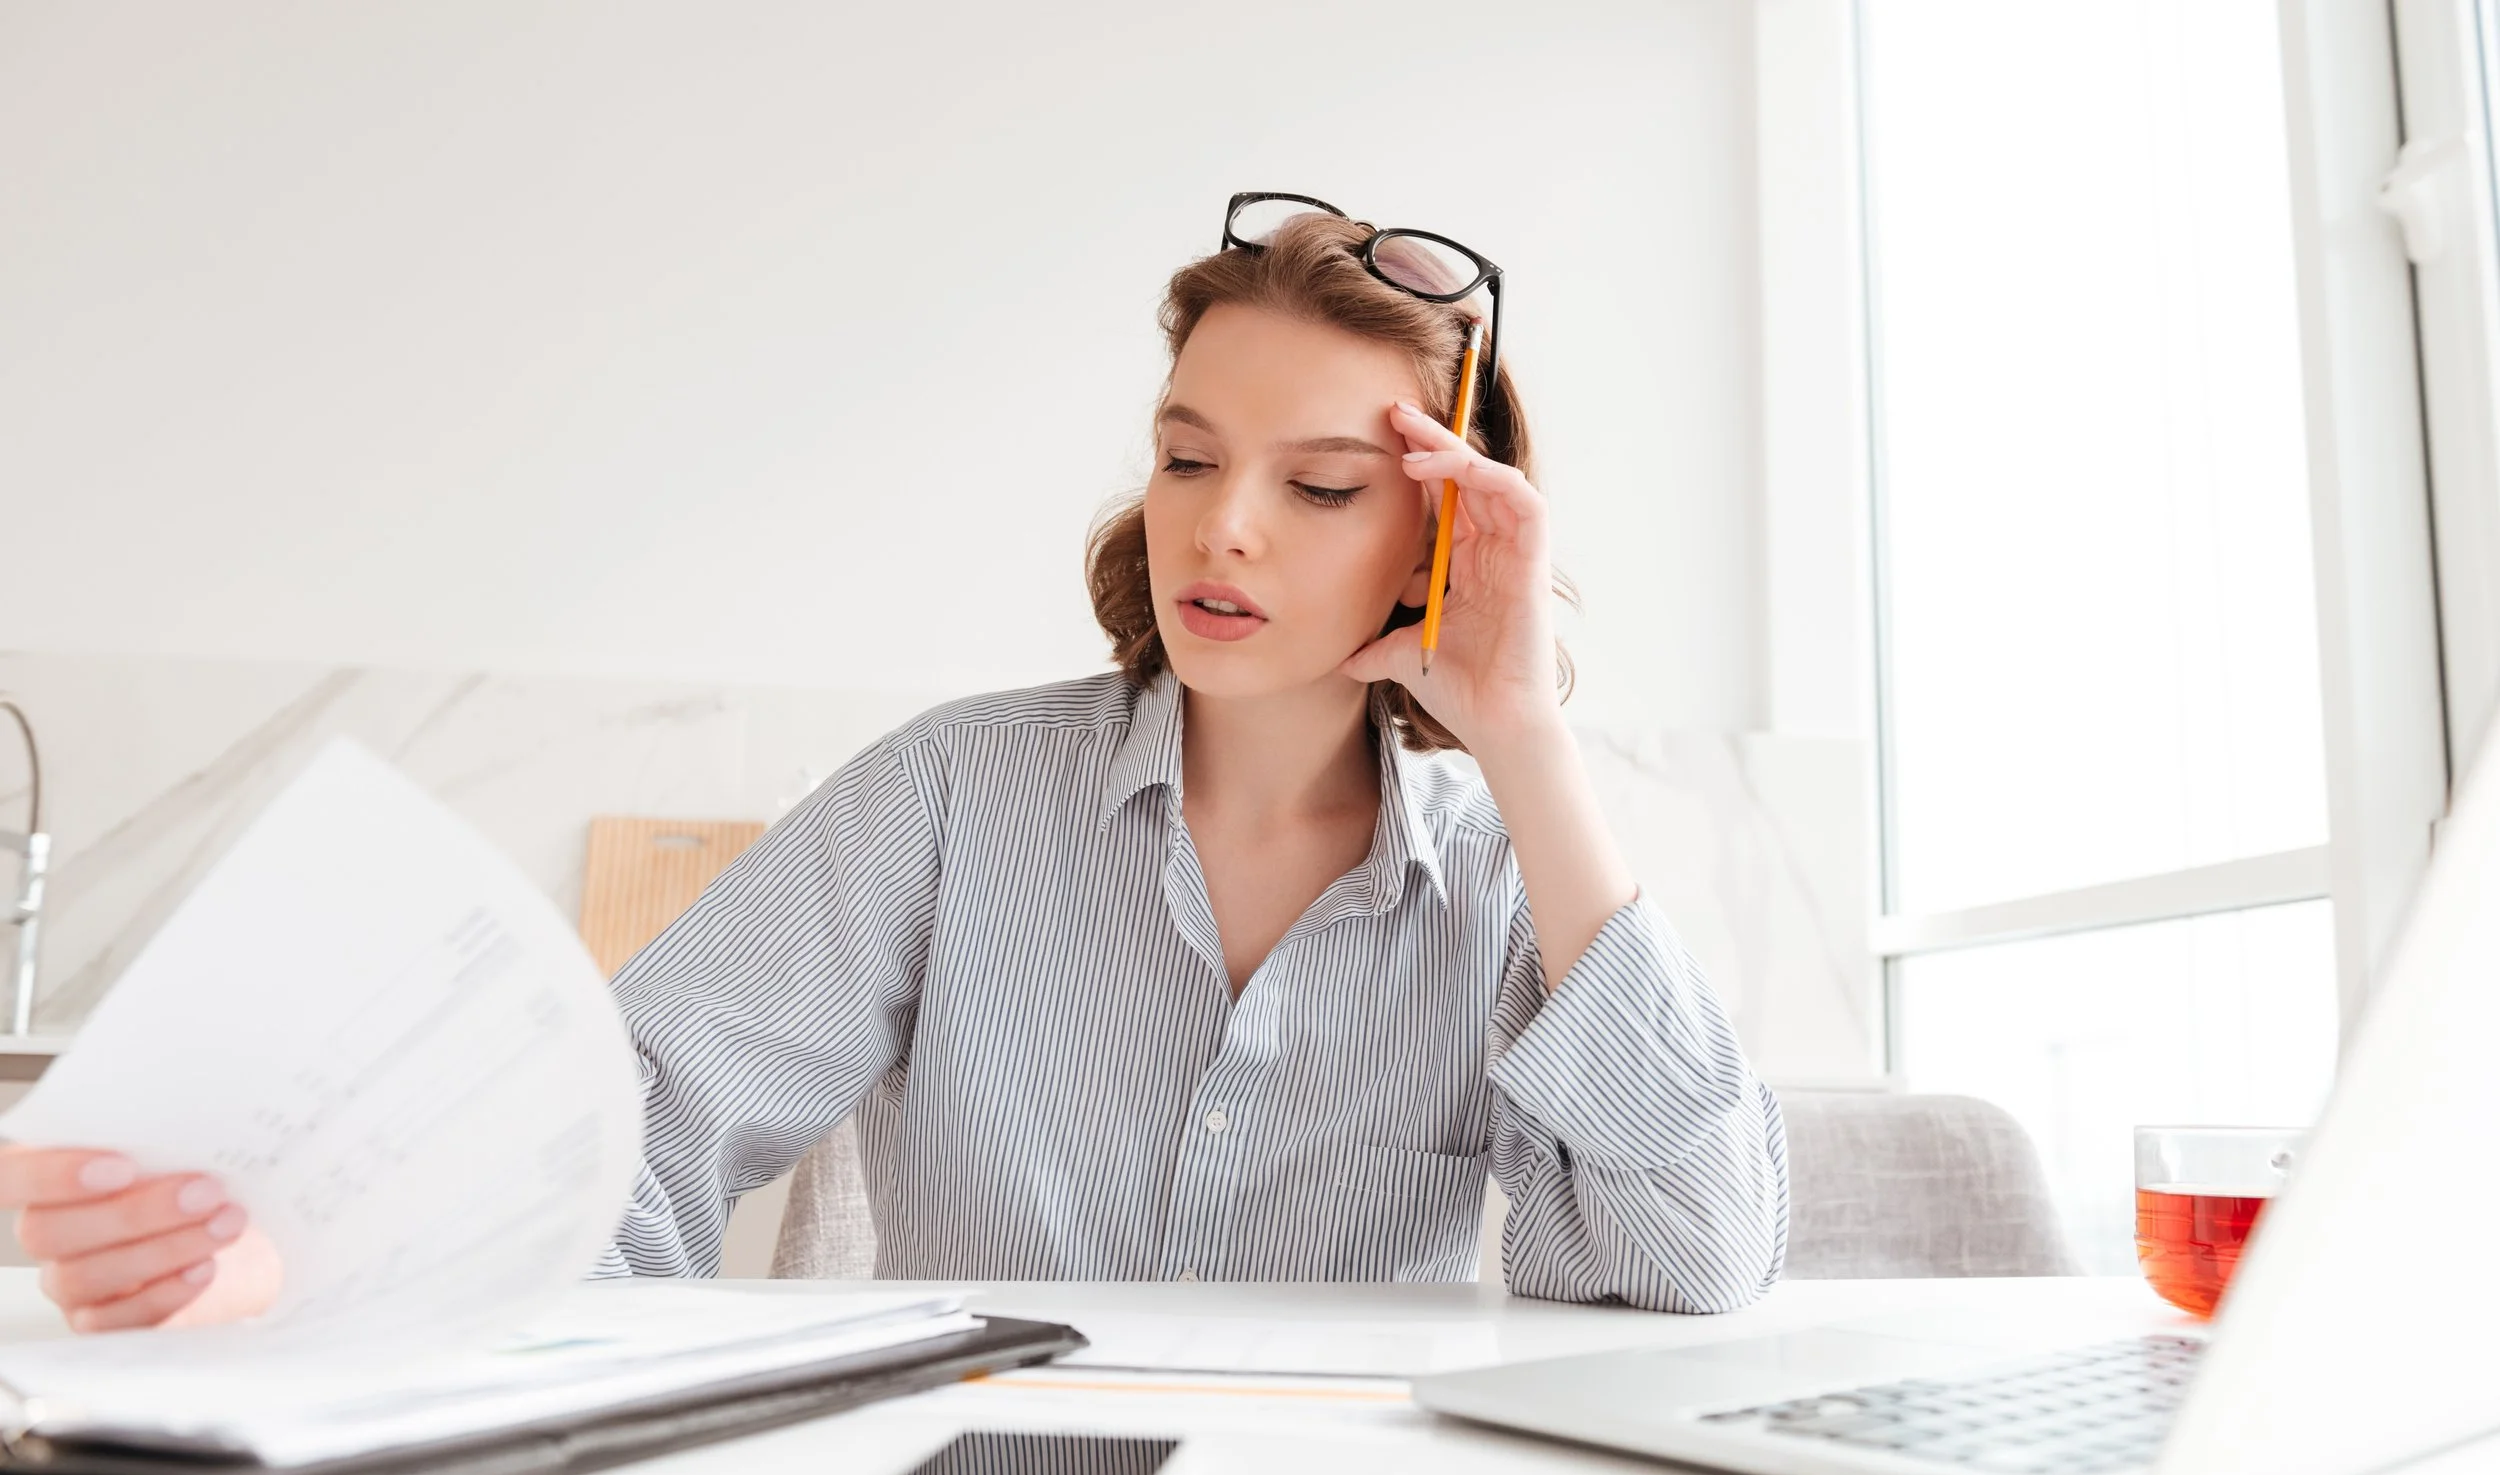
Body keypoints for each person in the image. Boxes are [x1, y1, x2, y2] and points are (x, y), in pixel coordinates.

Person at [0, 204, 1787, 1329]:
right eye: (1185, 457)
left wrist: (1531, 740)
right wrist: (365, 1285)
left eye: (1319, 487)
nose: (1223, 529)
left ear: (1438, 544)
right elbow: (628, 1136)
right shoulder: (949, 797)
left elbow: (1690, 1265)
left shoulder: (1495, 876)